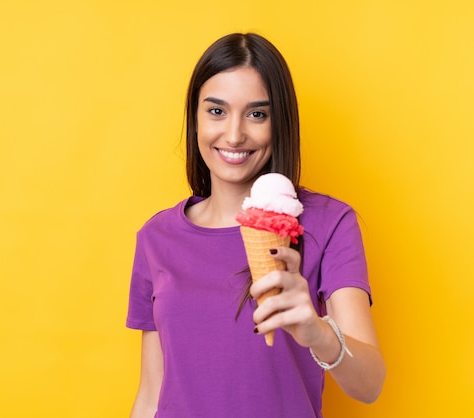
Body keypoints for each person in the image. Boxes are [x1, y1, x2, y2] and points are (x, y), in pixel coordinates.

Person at [127, 32, 386, 418]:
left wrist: (316, 331)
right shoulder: (156, 237)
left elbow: (369, 385)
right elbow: (151, 395)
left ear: (279, 122)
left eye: (257, 114)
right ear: (194, 118)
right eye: (216, 111)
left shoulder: (330, 224)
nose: (234, 135)